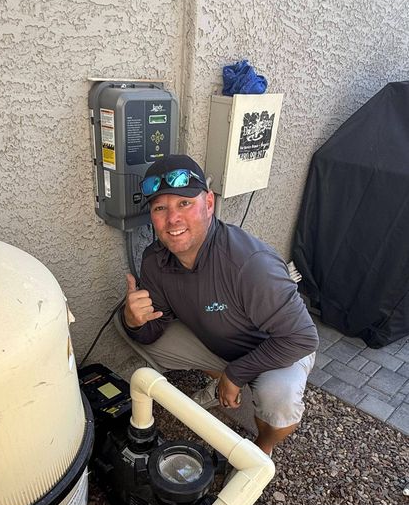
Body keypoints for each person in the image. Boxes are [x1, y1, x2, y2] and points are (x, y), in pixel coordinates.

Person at [115, 154, 318, 456]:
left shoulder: (251, 265)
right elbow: (153, 332)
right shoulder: (155, 261)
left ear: (209, 203)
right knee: (124, 323)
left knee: (279, 399)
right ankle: (222, 377)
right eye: (160, 208)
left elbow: (303, 337)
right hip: (224, 342)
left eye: (184, 203)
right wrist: (134, 321)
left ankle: (262, 449)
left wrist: (236, 374)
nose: (172, 219)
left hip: (279, 347)